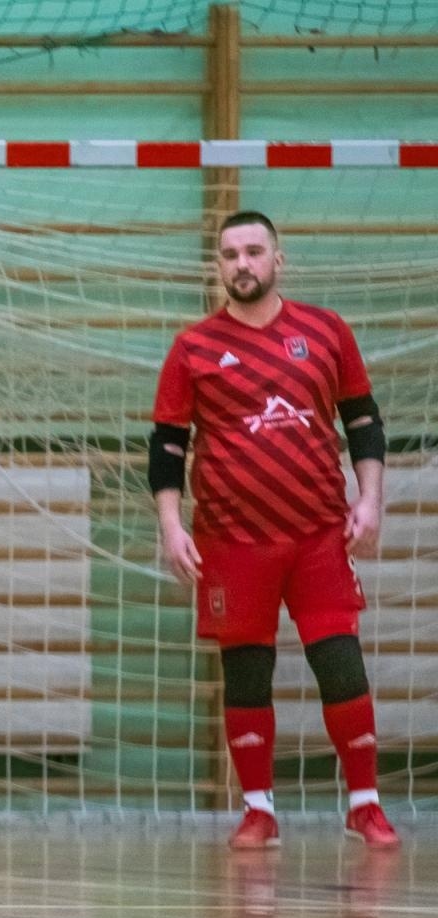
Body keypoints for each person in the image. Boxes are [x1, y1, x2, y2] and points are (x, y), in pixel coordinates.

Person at [150, 210, 398, 850]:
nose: (243, 264)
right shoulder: (193, 347)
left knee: (341, 665)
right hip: (231, 542)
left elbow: (363, 420)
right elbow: (167, 446)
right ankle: (258, 811)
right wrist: (171, 526)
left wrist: (370, 500)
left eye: (254, 251)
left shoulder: (326, 331)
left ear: (278, 259)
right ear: (218, 265)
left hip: (319, 535)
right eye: (230, 254)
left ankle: (365, 806)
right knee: (246, 674)